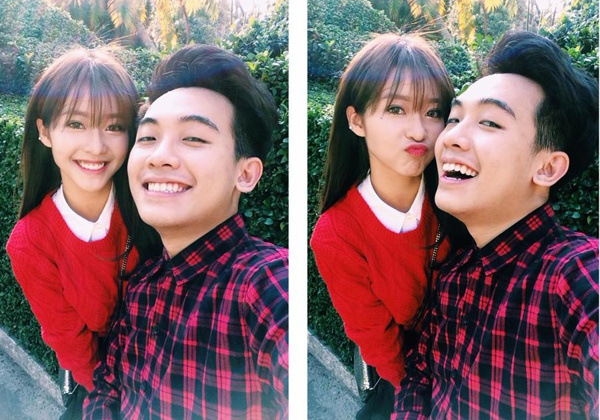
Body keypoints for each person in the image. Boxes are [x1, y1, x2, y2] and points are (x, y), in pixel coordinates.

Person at [393, 30, 599, 419]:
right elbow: (420, 376)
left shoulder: (573, 275)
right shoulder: (454, 273)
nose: (451, 138)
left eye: (489, 122)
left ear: (547, 168)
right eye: (454, 118)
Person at [83, 44, 289, 419]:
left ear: (245, 174)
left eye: (193, 138)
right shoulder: (141, 286)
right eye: (148, 138)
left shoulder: (265, 285)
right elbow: (107, 389)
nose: (159, 156)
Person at [310, 33, 468, 419]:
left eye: (433, 112)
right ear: (356, 120)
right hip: (411, 391)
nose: (419, 131)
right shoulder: (338, 234)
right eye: (396, 109)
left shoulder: (461, 194)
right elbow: (381, 346)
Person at [5, 48, 161, 418]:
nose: (96, 147)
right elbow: (75, 348)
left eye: (114, 127)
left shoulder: (153, 197)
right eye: (76, 124)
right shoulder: (31, 243)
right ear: (45, 131)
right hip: (111, 389)